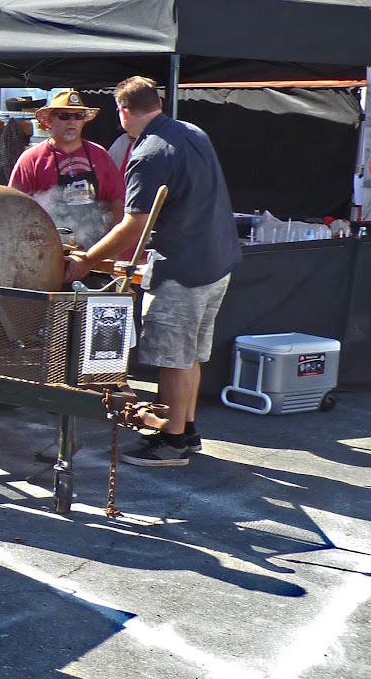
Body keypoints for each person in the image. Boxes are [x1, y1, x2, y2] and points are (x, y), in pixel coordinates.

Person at [65, 77, 242, 467]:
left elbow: (133, 223)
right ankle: (187, 429)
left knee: (173, 358)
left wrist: (86, 261)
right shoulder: (192, 131)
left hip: (184, 270)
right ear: (158, 102)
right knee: (190, 354)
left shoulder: (147, 153)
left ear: (123, 111)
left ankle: (173, 442)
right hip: (217, 262)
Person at [8, 88, 124, 249]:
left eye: (78, 116)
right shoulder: (31, 159)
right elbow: (15, 207)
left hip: (94, 250)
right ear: (49, 121)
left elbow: (117, 202)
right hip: (46, 250)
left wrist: (113, 248)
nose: (72, 121)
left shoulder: (100, 155)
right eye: (64, 116)